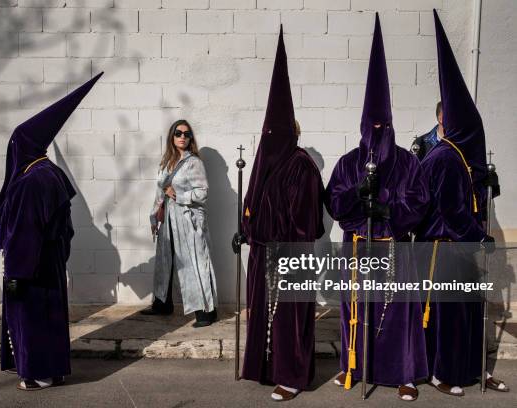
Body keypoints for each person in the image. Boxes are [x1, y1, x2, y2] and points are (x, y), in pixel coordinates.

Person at [325, 14, 429, 401]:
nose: (377, 135)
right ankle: (352, 365)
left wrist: (386, 209)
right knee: (358, 312)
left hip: (394, 249)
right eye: (372, 127)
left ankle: (403, 374)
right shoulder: (350, 161)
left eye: (383, 127)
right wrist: (358, 197)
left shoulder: (406, 162)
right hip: (357, 248)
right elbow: (334, 199)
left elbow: (419, 199)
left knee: (398, 315)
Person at [0, 73, 102, 390]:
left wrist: (18, 273)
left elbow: (28, 231)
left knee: (34, 319)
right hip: (49, 262)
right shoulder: (50, 172)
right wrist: (0, 219)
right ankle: (53, 369)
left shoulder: (32, 180)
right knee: (50, 318)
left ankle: (40, 374)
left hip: (31, 267)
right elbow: (55, 225)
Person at [415, 10, 508, 396]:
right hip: (448, 249)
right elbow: (453, 213)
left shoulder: (459, 158)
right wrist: (478, 237)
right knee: (448, 316)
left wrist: (486, 182)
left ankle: (472, 369)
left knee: (468, 312)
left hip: (461, 249)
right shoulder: (444, 158)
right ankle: (443, 373)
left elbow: (469, 201)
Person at [234, 26, 325, 402]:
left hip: (289, 257)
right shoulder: (261, 166)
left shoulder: (301, 166)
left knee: (288, 322)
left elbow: (305, 222)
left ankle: (291, 377)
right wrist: (245, 229)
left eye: (275, 132)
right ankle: (265, 368)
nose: (267, 139)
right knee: (263, 317)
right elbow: (252, 205)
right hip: (262, 255)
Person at [142, 119, 218, 328]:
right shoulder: (166, 161)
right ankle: (162, 303)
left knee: (195, 261)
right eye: (178, 133)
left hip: (188, 218)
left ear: (190, 138)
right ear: (172, 136)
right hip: (168, 218)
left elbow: (203, 192)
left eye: (186, 134)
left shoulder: (194, 162)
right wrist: (154, 215)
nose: (182, 137)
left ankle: (206, 311)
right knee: (165, 261)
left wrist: (179, 196)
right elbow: (160, 191)